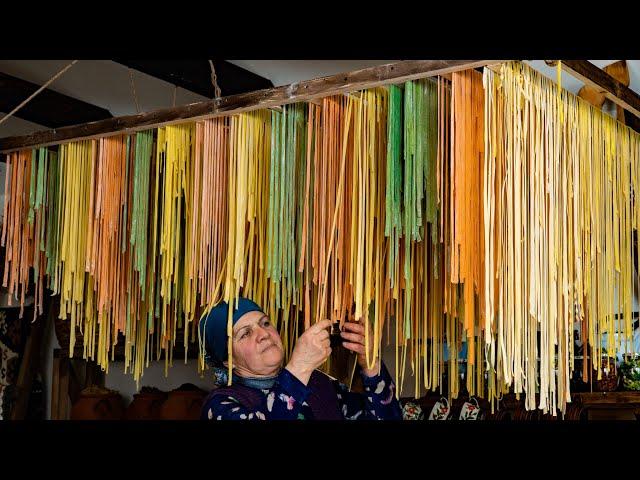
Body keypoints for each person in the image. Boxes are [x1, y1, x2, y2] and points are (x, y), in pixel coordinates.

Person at [199, 297, 402, 420]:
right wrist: (300, 367)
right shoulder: (220, 405)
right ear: (227, 360)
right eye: (245, 333)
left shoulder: (320, 385)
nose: (263, 333)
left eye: (266, 323)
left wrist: (371, 365)